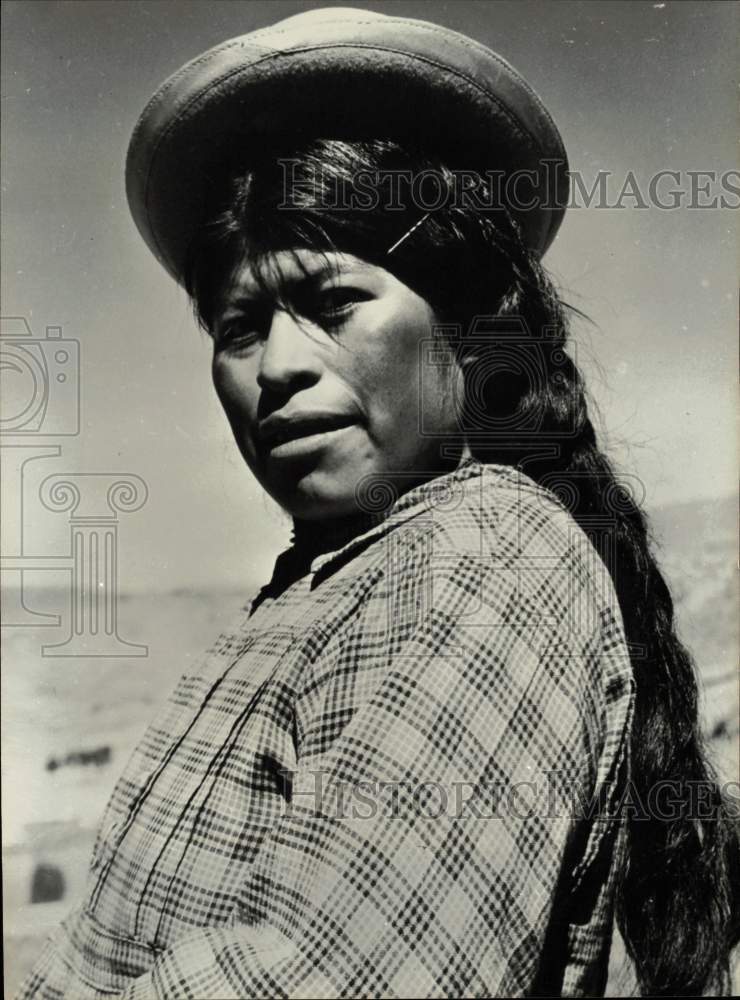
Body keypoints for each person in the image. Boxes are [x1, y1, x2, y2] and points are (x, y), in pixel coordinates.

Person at [19, 7, 738, 999]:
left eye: (332, 304)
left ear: (469, 327)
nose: (274, 366)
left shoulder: (489, 555)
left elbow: (339, 974)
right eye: (238, 325)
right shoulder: (317, 588)